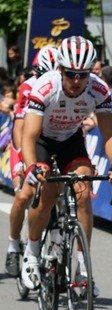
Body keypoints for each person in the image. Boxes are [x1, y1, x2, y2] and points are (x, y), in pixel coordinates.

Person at [19, 36, 112, 291]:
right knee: (47, 194)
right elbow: (29, 136)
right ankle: (31, 252)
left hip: (71, 140)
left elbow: (110, 133)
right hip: (43, 140)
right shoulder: (45, 87)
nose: (77, 81)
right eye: (71, 74)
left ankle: (83, 269)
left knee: (83, 192)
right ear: (60, 69)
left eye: (83, 75)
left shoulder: (98, 89)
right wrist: (32, 167)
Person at [4, 46, 59, 277]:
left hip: (53, 142)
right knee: (24, 195)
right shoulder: (29, 87)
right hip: (27, 142)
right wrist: (20, 160)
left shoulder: (65, 85)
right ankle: (13, 244)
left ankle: (57, 239)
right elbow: (19, 127)